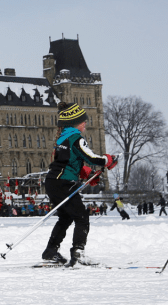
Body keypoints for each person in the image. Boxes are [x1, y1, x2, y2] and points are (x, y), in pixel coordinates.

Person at [40, 102, 118, 266]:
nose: (85, 123)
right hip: (64, 182)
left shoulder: (62, 137)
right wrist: (108, 160)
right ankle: (78, 252)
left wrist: (87, 173)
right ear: (75, 122)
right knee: (81, 217)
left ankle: (50, 251)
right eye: (83, 121)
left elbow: (67, 161)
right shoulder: (76, 138)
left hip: (53, 182)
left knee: (66, 217)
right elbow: (91, 158)